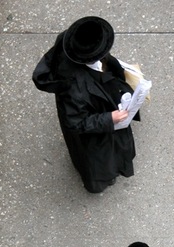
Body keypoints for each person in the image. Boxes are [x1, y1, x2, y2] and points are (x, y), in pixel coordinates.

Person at [32, 16, 140, 193]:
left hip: (96, 100)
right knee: (98, 161)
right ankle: (97, 183)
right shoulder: (74, 91)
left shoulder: (69, 42)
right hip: (94, 131)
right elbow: (75, 123)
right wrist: (108, 118)